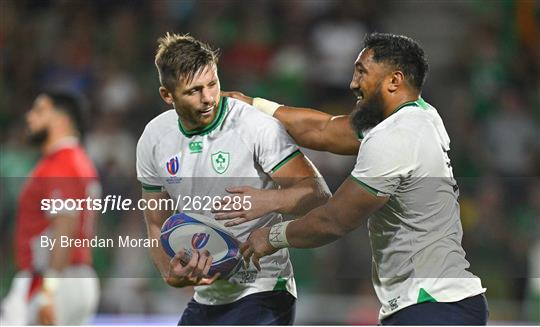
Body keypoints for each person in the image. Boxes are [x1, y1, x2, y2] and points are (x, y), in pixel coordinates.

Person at [236, 33, 488, 325]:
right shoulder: (420, 116)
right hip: (437, 304)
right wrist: (252, 106)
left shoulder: (396, 137)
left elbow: (333, 220)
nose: (353, 83)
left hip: (432, 305)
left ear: (394, 81)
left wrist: (271, 237)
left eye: (361, 72)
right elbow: (323, 130)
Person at [136, 33, 330, 325]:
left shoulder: (254, 126)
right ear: (167, 95)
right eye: (193, 91)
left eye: (213, 84)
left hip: (263, 290)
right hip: (207, 297)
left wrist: (269, 199)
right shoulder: (154, 138)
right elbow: (155, 223)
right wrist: (170, 274)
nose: (208, 98)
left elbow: (318, 192)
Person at [0, 90, 100, 325]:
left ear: (62, 121)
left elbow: (65, 225)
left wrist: (49, 289)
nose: (29, 117)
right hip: (73, 275)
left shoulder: (62, 163)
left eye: (39, 111)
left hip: (54, 277)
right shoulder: (78, 161)